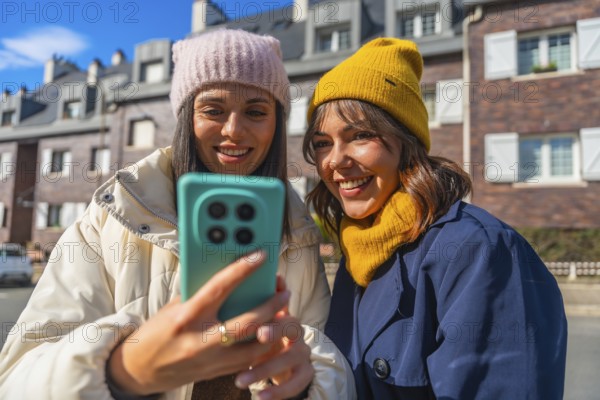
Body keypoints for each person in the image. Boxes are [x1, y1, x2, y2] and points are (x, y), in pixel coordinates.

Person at [0, 29, 355, 400]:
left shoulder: (298, 234)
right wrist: (125, 371)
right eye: (213, 110)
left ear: (276, 124)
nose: (234, 130)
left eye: (256, 111)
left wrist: (303, 387)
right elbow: (16, 379)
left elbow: (333, 368)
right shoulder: (112, 216)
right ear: (186, 118)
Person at [302, 37, 568, 399]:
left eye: (360, 136)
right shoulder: (359, 253)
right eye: (322, 143)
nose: (335, 161)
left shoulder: (478, 251)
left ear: (406, 141)